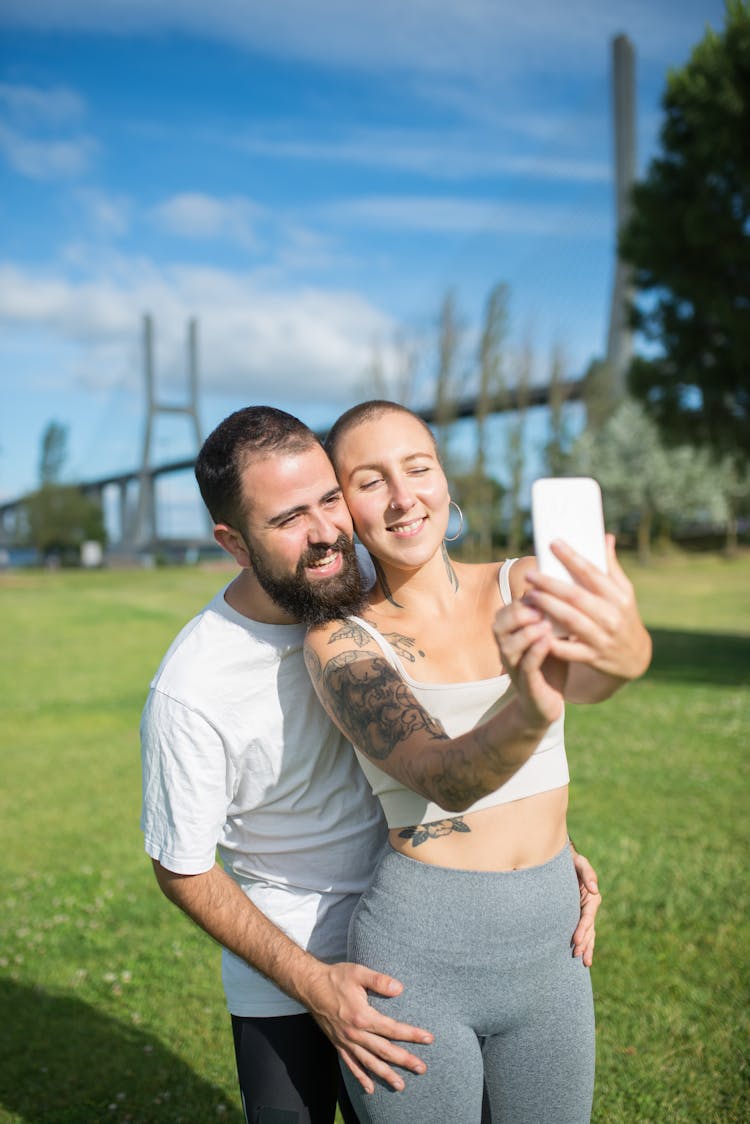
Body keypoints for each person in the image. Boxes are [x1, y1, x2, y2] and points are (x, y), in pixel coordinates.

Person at [140, 405, 602, 1124]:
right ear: (234, 543)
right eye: (288, 518)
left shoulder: (356, 579)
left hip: (422, 916)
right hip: (292, 966)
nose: (324, 531)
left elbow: (446, 724)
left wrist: (540, 847)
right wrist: (314, 984)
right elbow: (182, 868)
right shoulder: (195, 686)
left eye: (329, 499)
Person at [303, 400, 653, 1124]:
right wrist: (530, 705)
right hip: (420, 962)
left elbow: (589, 677)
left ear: (444, 479)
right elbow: (442, 777)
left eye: (418, 468)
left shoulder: (524, 583)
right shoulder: (341, 640)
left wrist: (628, 653)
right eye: (370, 482)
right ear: (345, 508)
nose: (403, 498)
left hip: (552, 948)